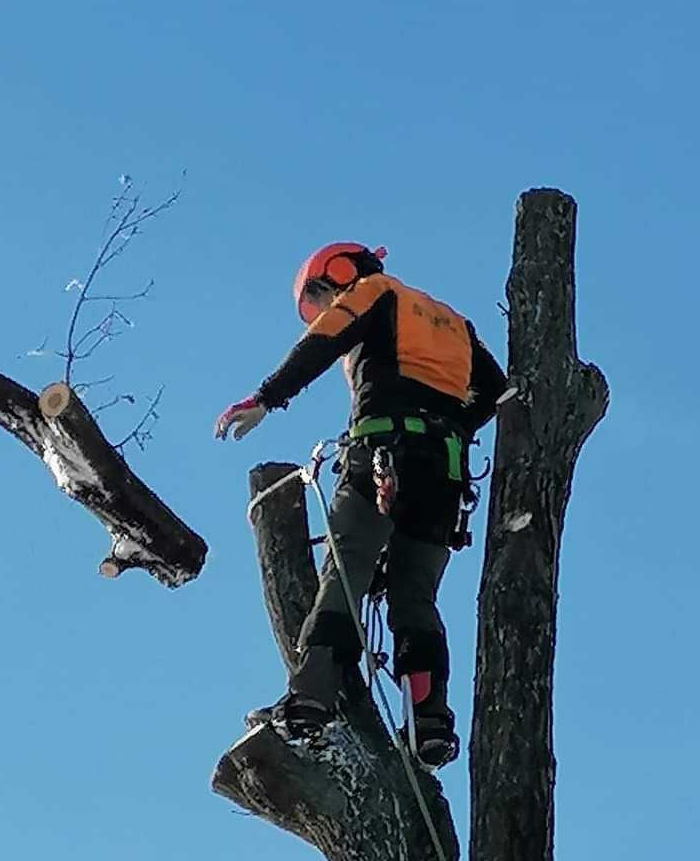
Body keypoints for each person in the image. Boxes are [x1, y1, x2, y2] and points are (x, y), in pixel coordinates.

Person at [215, 242, 506, 768]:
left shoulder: (375, 292)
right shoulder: (455, 323)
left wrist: (264, 397)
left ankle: (310, 698)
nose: (326, 306)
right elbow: (494, 391)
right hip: (444, 471)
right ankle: (430, 721)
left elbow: (325, 341)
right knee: (415, 597)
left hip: (381, 455)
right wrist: (450, 430)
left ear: (340, 275)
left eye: (324, 294)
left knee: (345, 573)